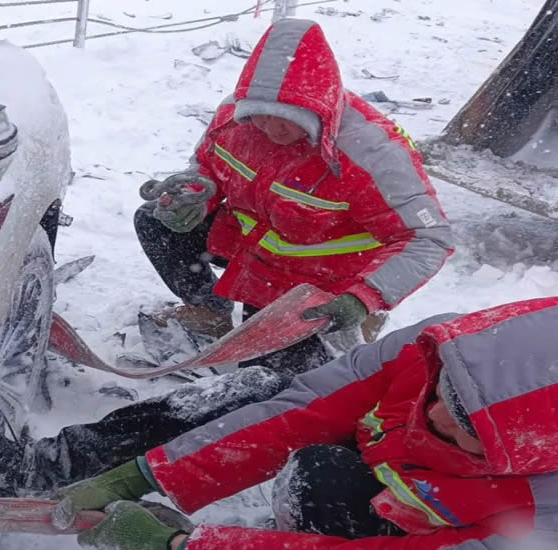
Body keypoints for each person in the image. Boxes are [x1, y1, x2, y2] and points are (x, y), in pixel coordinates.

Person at [34, 294, 558, 550]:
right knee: (318, 468)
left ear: (528, 448)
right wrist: (146, 476)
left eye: (466, 423)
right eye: (444, 388)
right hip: (409, 506)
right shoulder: (448, 351)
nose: (434, 410)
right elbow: (303, 412)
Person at [135, 18, 453, 374]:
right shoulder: (235, 117)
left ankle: (359, 323)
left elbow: (429, 238)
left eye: (287, 117)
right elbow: (208, 166)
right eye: (260, 116)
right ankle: (210, 312)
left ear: (317, 109)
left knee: (267, 379)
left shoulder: (371, 154)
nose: (271, 128)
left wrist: (364, 296)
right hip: (257, 249)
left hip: (319, 280)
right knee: (155, 221)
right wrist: (193, 197)